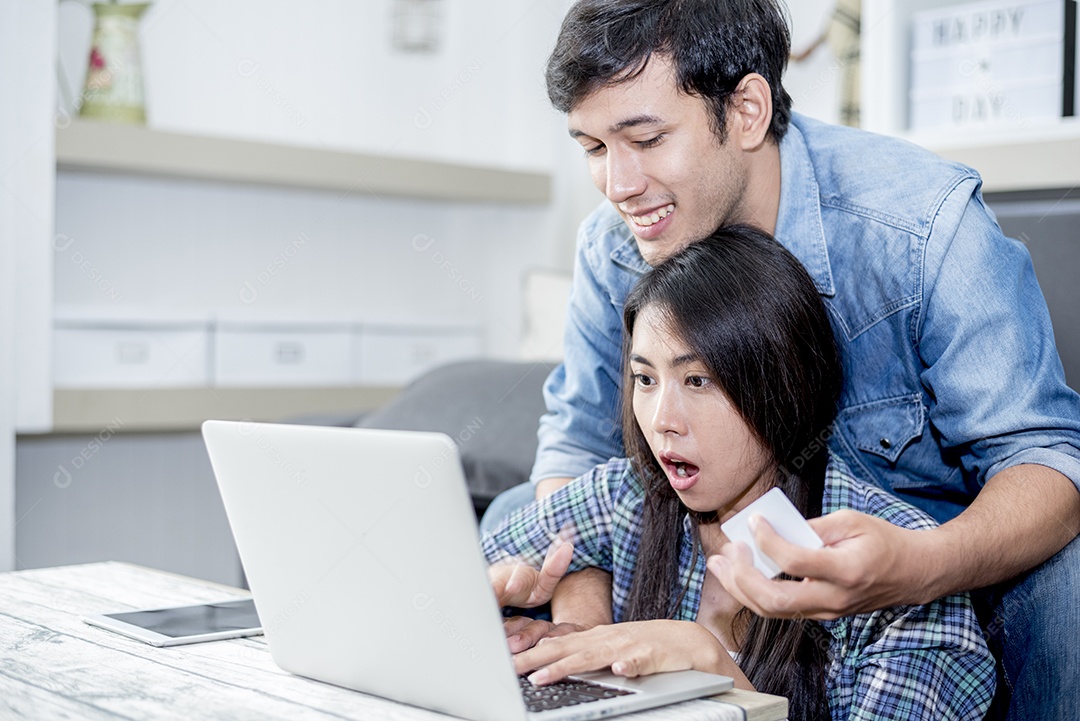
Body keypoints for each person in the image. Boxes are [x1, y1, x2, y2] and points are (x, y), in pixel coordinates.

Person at [480, 1, 1080, 718]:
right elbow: (577, 448)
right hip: (713, 559)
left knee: (1069, 577)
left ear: (746, 111)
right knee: (514, 510)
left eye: (645, 138)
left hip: (933, 563)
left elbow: (1044, 458)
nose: (619, 186)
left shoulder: (920, 228)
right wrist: (589, 630)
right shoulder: (613, 244)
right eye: (593, 147)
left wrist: (916, 569)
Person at [483, 226, 996, 721]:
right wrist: (492, 598)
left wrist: (710, 664)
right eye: (645, 378)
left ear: (786, 384)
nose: (661, 421)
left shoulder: (901, 575)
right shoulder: (626, 494)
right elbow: (446, 584)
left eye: (698, 380)